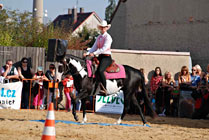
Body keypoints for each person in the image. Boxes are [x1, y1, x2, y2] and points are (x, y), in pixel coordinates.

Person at [83, 20, 112, 94]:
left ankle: (104, 89)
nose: (103, 29)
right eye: (101, 27)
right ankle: (93, 85)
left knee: (100, 70)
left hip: (106, 57)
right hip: (100, 56)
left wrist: (94, 53)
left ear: (106, 28)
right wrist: (87, 53)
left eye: (104, 27)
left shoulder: (108, 37)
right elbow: (94, 47)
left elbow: (104, 49)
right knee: (90, 66)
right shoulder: (99, 37)